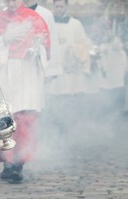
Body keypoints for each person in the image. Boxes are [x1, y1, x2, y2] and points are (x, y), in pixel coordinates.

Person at [0, 0, 50, 183]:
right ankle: (7, 163)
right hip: (6, 72)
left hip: (27, 72)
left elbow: (45, 47)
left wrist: (38, 46)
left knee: (25, 120)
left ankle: (20, 162)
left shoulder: (34, 18)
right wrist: (4, 40)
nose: (12, 3)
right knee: (5, 120)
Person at [44, 0, 91, 129]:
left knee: (67, 100)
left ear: (66, 6)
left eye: (62, 6)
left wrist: (70, 48)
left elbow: (83, 46)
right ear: (53, 7)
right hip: (52, 69)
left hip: (68, 70)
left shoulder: (76, 24)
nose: (59, 9)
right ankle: (52, 128)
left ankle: (68, 128)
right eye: (57, 6)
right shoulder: (47, 23)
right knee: (52, 100)